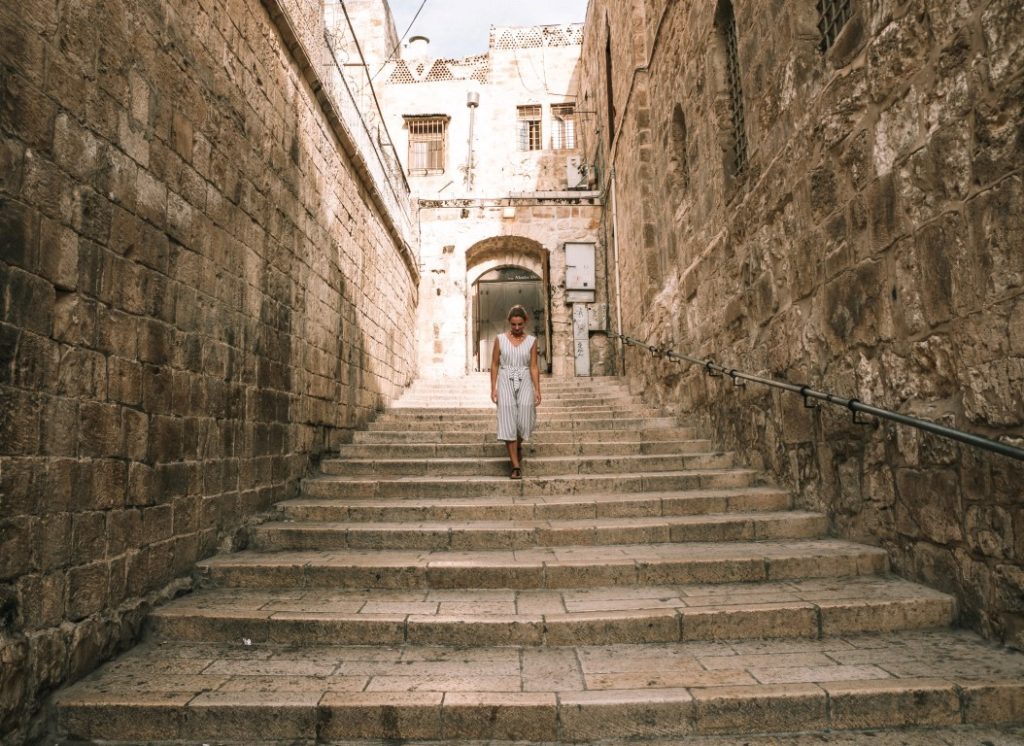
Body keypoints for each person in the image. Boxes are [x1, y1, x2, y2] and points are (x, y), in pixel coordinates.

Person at [490, 305, 542, 479]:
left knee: (526, 414)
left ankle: (518, 444)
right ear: (509, 322)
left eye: (520, 324)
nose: (517, 327)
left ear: (525, 322)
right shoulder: (500, 339)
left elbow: (533, 366)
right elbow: (495, 364)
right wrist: (493, 388)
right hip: (505, 378)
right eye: (513, 324)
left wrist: (537, 389)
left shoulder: (531, 341)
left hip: (524, 377)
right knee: (507, 417)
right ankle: (515, 465)